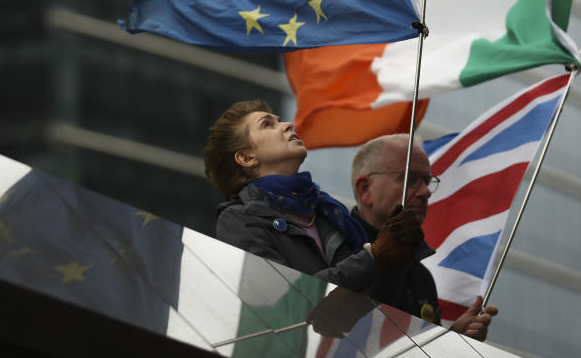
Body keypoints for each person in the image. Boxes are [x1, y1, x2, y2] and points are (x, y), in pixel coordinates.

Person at [205, 100, 428, 304]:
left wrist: (397, 259)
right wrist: (374, 258)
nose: (288, 125)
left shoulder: (329, 212)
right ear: (246, 158)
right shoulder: (239, 219)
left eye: (279, 121)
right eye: (267, 125)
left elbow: (375, 307)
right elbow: (283, 301)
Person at [351, 133, 498, 341]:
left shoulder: (422, 279)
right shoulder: (335, 248)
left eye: (427, 181)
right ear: (365, 190)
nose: (426, 192)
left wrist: (453, 338)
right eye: (410, 180)